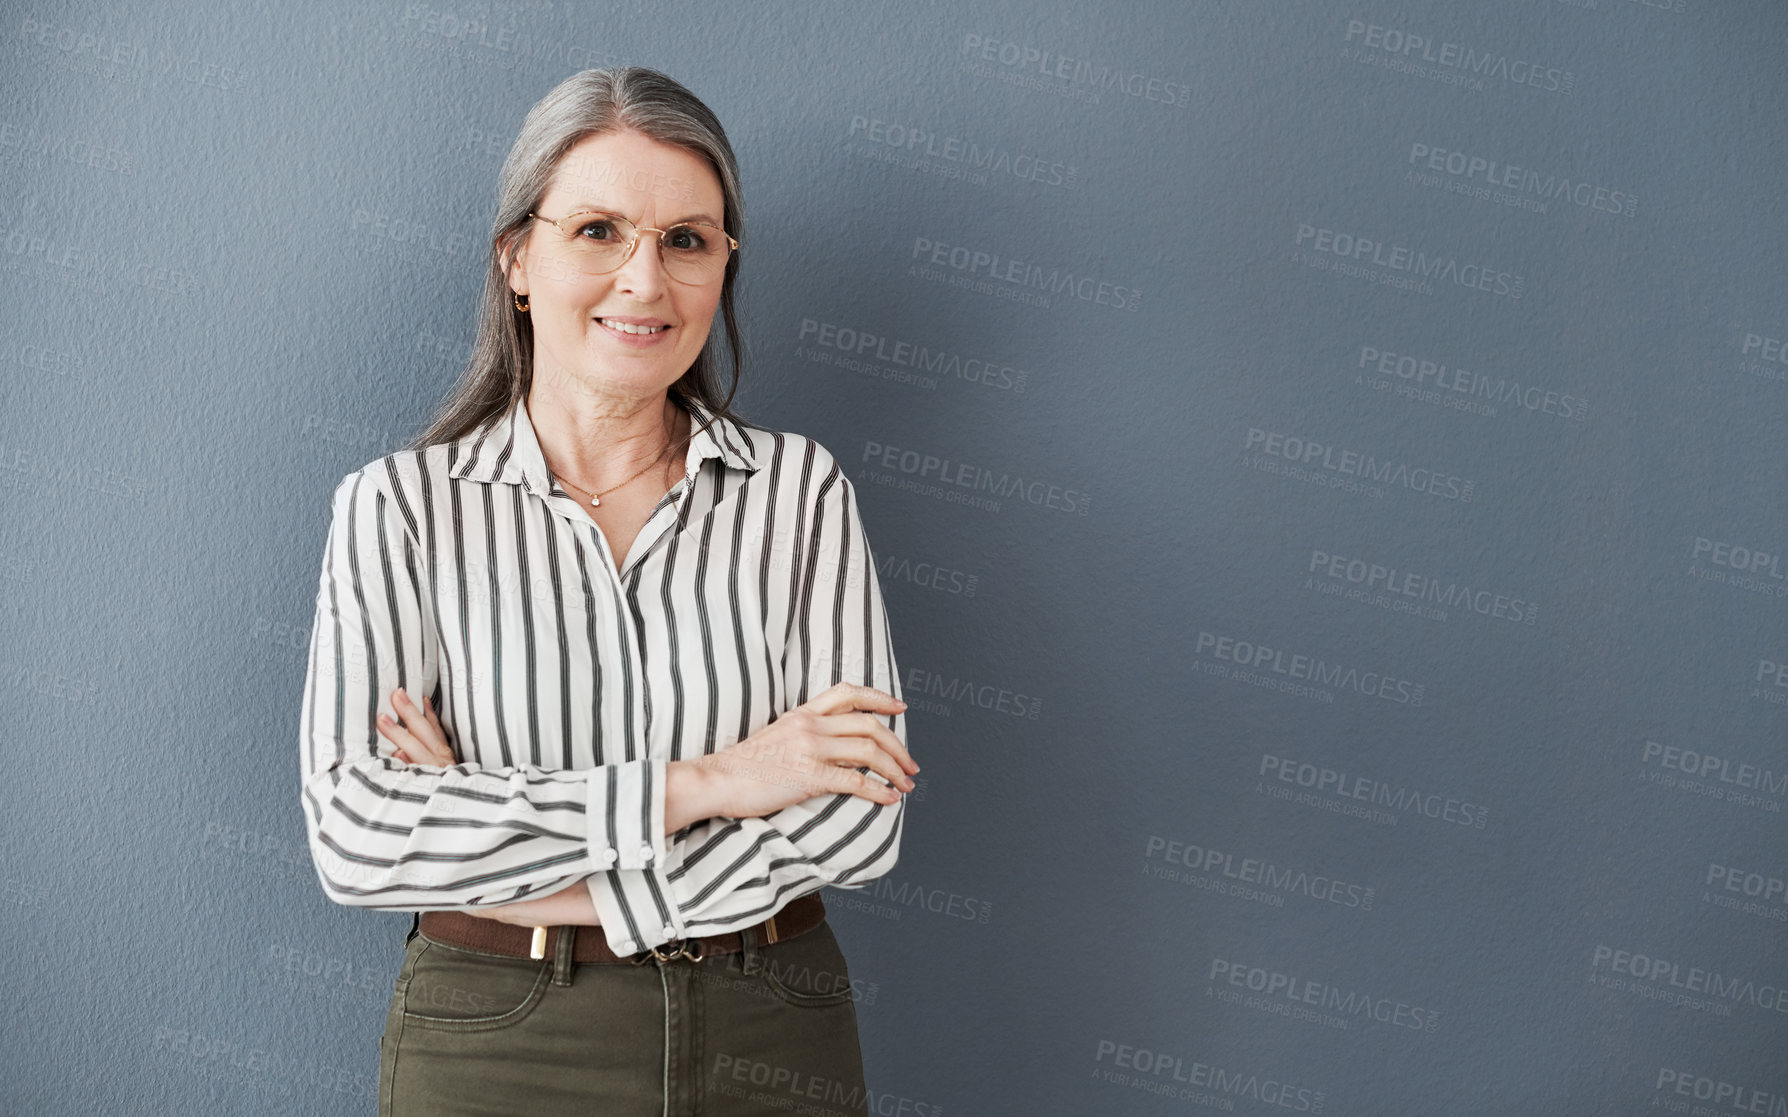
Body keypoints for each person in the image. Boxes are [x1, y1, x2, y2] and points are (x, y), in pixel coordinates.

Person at [296, 66, 917, 1116]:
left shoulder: (801, 491)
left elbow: (859, 825)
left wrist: (498, 848)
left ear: (723, 264)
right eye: (598, 230)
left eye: (687, 239)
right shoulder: (397, 508)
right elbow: (359, 837)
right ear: (518, 258)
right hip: (495, 1035)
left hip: (773, 1021)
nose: (645, 280)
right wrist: (721, 778)